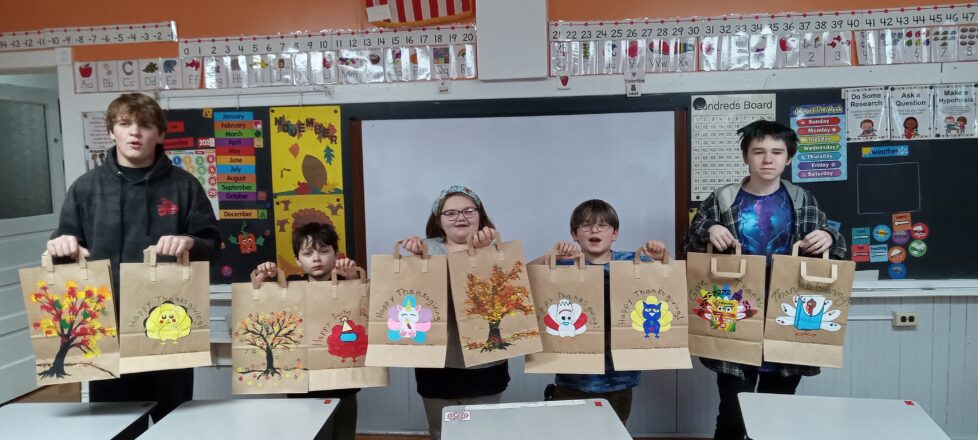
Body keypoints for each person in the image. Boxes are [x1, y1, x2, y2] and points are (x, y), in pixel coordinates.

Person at [46, 92, 221, 421]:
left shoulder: (184, 186)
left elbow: (212, 244)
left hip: (170, 321)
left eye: (145, 125)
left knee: (175, 418)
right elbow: (66, 242)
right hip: (104, 324)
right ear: (112, 131)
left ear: (160, 134)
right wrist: (61, 245)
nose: (135, 132)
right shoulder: (86, 188)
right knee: (113, 420)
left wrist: (188, 241)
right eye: (125, 124)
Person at [682, 119, 847, 440]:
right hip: (733, 316)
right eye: (758, 152)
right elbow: (688, 247)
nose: (767, 159)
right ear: (746, 157)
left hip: (789, 318)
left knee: (776, 417)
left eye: (776, 152)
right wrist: (708, 229)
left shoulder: (803, 199)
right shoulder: (723, 199)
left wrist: (828, 235)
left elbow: (837, 252)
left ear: (789, 158)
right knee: (733, 415)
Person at [399, 186, 509, 440]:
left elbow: (513, 298)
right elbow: (407, 299)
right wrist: (416, 260)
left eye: (468, 210)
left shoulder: (497, 252)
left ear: (480, 216)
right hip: (437, 366)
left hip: (486, 365)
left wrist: (483, 254)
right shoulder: (423, 252)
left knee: (483, 434)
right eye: (450, 213)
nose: (460, 217)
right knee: (442, 433)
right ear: (439, 220)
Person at [544, 199, 666, 423]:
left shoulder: (632, 264)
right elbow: (525, 282)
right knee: (569, 432)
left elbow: (667, 286)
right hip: (572, 377)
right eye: (586, 225)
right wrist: (549, 258)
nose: (594, 229)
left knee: (613, 430)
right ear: (574, 234)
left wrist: (659, 260)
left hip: (619, 379)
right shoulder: (564, 266)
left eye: (603, 225)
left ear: (615, 233)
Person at [253, 222, 358, 440]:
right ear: (297, 259)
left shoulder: (347, 282)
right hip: (302, 383)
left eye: (323, 251)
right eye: (308, 253)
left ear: (336, 254)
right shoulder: (289, 286)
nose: (316, 258)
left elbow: (364, 308)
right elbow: (261, 309)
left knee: (343, 434)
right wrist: (263, 278)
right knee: (307, 434)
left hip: (343, 384)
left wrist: (353, 280)